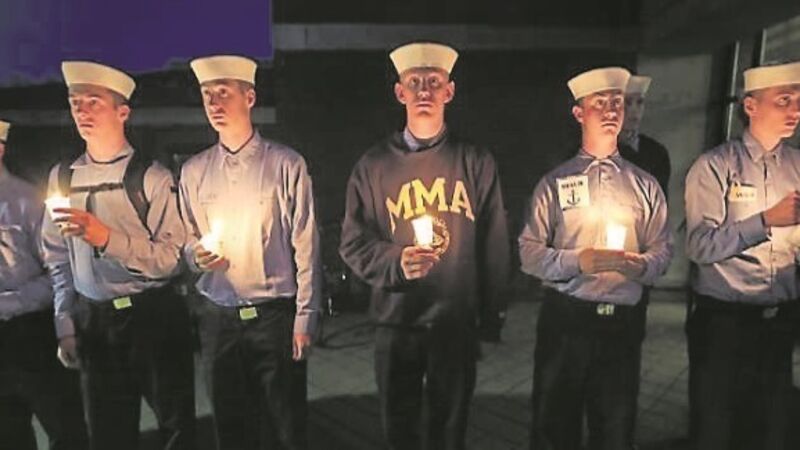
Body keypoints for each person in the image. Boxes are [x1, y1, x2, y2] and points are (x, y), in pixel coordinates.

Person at [339, 42, 510, 450]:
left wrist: (492, 315)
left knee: (450, 429)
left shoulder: (475, 161)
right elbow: (352, 241)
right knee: (400, 428)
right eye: (414, 82)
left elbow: (494, 241)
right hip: (396, 321)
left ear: (450, 91)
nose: (424, 91)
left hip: (454, 321)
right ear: (399, 92)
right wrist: (395, 262)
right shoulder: (373, 165)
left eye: (434, 81)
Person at [40, 61, 195, 450]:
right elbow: (57, 257)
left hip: (152, 317)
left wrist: (107, 238)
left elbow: (171, 258)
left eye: (94, 101)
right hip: (95, 322)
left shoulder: (152, 177)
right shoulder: (63, 179)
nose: (82, 111)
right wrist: (65, 322)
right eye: (75, 102)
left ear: (122, 111)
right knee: (107, 433)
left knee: (176, 427)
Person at [519, 67, 672, 450]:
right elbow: (528, 253)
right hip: (566, 319)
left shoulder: (645, 184)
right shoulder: (555, 182)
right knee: (555, 426)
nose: (611, 110)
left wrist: (639, 266)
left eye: (617, 102)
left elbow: (662, 249)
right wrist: (578, 262)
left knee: (615, 428)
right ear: (579, 113)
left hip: (621, 325)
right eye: (599, 103)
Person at [180, 54, 322, 450]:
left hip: (274, 317)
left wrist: (305, 316)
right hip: (218, 317)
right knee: (230, 426)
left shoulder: (286, 164)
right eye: (207, 94)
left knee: (285, 426)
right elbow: (187, 238)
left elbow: (306, 243)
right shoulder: (194, 171)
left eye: (223, 92)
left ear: (250, 97)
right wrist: (196, 256)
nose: (213, 102)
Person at [684, 60, 800, 450]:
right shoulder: (715, 166)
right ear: (750, 105)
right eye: (784, 100)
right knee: (716, 426)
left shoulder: (798, 166)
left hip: (779, 320)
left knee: (770, 427)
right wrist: (765, 220)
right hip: (724, 323)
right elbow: (699, 245)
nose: (795, 110)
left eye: (799, 101)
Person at [0, 119, 88, 450]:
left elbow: (58, 271)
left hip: (31, 331)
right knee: (9, 433)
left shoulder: (26, 201)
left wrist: (64, 328)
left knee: (64, 427)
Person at [619, 75, 671, 196]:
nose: (634, 110)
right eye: (627, 102)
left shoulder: (657, 153)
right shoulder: (602, 151)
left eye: (640, 102)